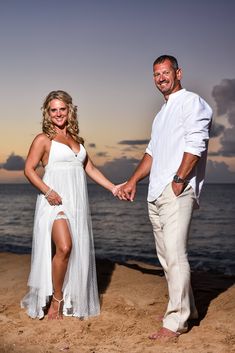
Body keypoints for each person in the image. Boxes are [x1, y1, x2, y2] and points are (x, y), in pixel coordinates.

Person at [119, 55, 212, 338]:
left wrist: (179, 179)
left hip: (176, 191)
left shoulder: (191, 102)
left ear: (178, 73)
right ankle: (189, 309)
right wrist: (133, 181)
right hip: (155, 193)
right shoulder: (161, 114)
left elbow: (197, 142)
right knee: (166, 258)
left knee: (175, 255)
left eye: (166, 72)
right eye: (156, 74)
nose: (161, 78)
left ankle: (176, 322)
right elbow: (151, 153)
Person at [21, 90, 122, 320]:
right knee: (65, 248)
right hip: (54, 201)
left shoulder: (77, 141)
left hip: (76, 202)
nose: (58, 113)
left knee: (71, 252)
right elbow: (28, 170)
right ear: (48, 113)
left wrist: (113, 188)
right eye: (53, 110)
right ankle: (56, 300)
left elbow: (91, 169)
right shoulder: (43, 139)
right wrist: (48, 192)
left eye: (62, 109)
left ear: (70, 110)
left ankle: (67, 294)